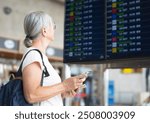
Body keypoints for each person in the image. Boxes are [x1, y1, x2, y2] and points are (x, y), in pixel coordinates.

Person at [22, 11, 86, 106]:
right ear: (44, 31)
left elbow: (43, 96)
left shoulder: (41, 57)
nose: (54, 29)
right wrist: (64, 85)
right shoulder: (33, 55)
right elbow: (31, 95)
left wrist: (63, 93)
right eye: (53, 26)